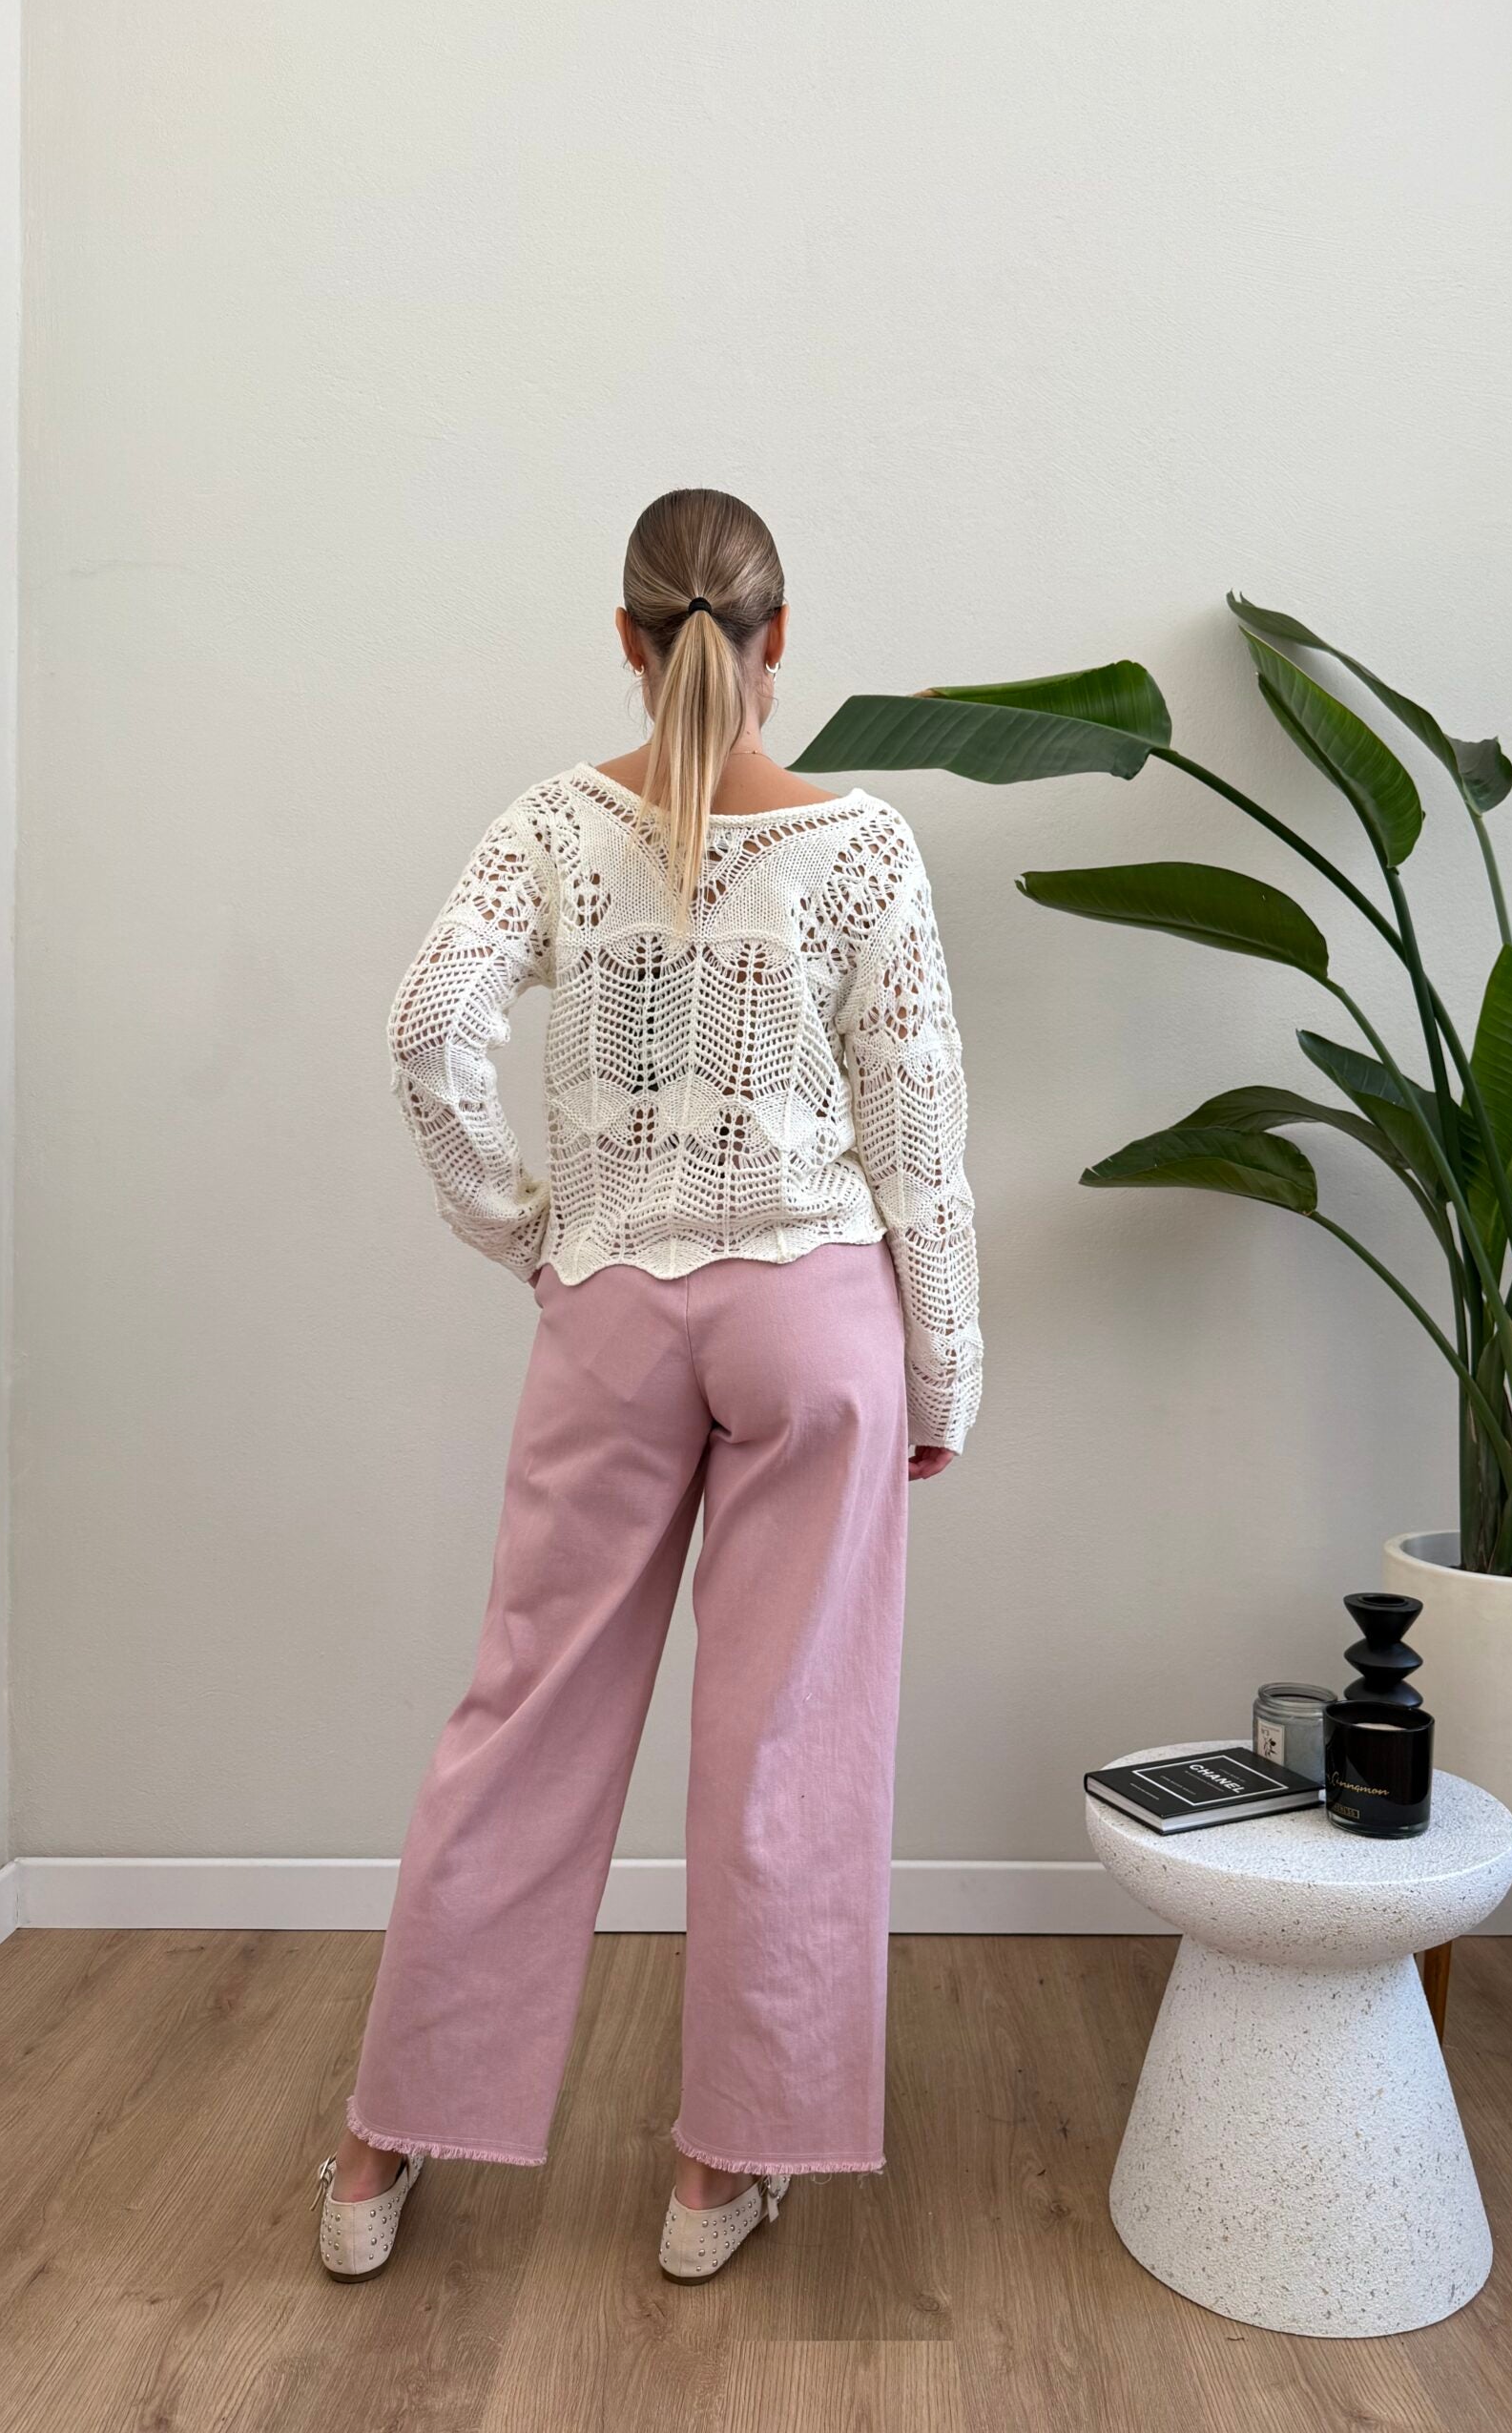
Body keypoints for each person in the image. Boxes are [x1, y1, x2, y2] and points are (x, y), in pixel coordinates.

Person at [312, 488, 982, 2284]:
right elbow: (917, 1139)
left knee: (521, 1716)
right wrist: (942, 1373)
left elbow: (424, 1030)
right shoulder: (863, 847)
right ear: (780, 640)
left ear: (627, 637)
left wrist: (526, 1228)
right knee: (788, 1746)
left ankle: (376, 2158)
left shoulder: (553, 825)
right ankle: (715, 2181)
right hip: (813, 1315)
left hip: (612, 1304)